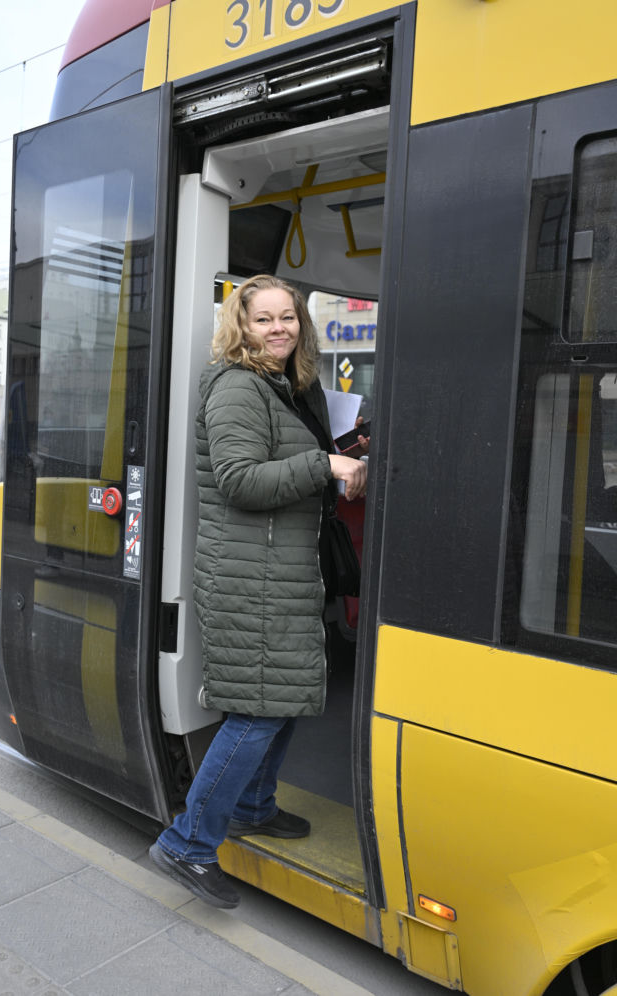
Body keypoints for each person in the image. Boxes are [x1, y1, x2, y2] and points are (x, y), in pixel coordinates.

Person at [149, 274, 367, 908]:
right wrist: (325, 464)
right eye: (263, 319)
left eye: (288, 317)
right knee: (260, 709)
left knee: (285, 696)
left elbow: (285, 461)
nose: (278, 329)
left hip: (283, 571)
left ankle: (251, 806)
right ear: (240, 326)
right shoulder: (237, 386)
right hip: (249, 579)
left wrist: (339, 450)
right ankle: (188, 843)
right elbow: (240, 480)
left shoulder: (290, 387)